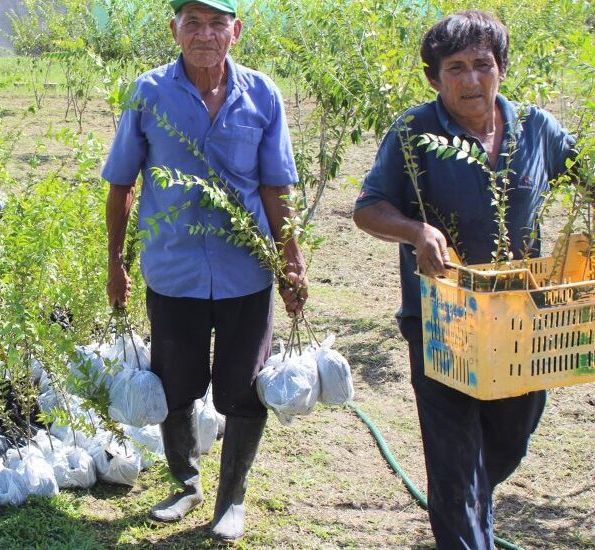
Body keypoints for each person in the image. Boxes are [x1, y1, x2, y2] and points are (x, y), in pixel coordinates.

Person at [353, 10, 577, 549]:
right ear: (434, 78)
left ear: (501, 68)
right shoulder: (413, 133)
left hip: (523, 323)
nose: (472, 80)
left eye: (483, 64)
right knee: (454, 460)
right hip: (442, 319)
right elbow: (367, 208)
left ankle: (471, 500)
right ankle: (463, 520)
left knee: (508, 438)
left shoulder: (536, 129)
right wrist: (415, 230)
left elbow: (585, 175)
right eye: (456, 68)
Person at [102, 0, 307, 541]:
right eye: (192, 23)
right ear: (174, 30)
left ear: (236, 32)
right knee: (175, 384)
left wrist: (293, 265)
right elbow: (122, 183)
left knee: (242, 388)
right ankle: (186, 482)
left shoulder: (261, 95)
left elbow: (274, 188)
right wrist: (115, 265)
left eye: (217, 23)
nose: (205, 35)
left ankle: (231, 499)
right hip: (173, 270)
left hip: (247, 273)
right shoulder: (148, 93)